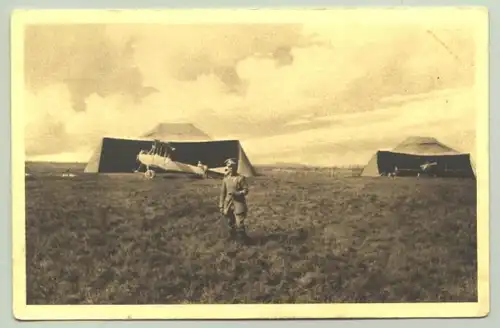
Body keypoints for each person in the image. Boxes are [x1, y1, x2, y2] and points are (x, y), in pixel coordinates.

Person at [219, 158, 250, 241]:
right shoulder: (225, 179)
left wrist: (237, 193)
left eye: (233, 166)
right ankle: (232, 237)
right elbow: (222, 193)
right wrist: (221, 206)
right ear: (227, 168)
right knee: (230, 222)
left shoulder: (241, 178)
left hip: (239, 203)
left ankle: (243, 240)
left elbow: (246, 190)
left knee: (239, 222)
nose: (231, 168)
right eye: (229, 167)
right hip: (228, 204)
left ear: (236, 167)